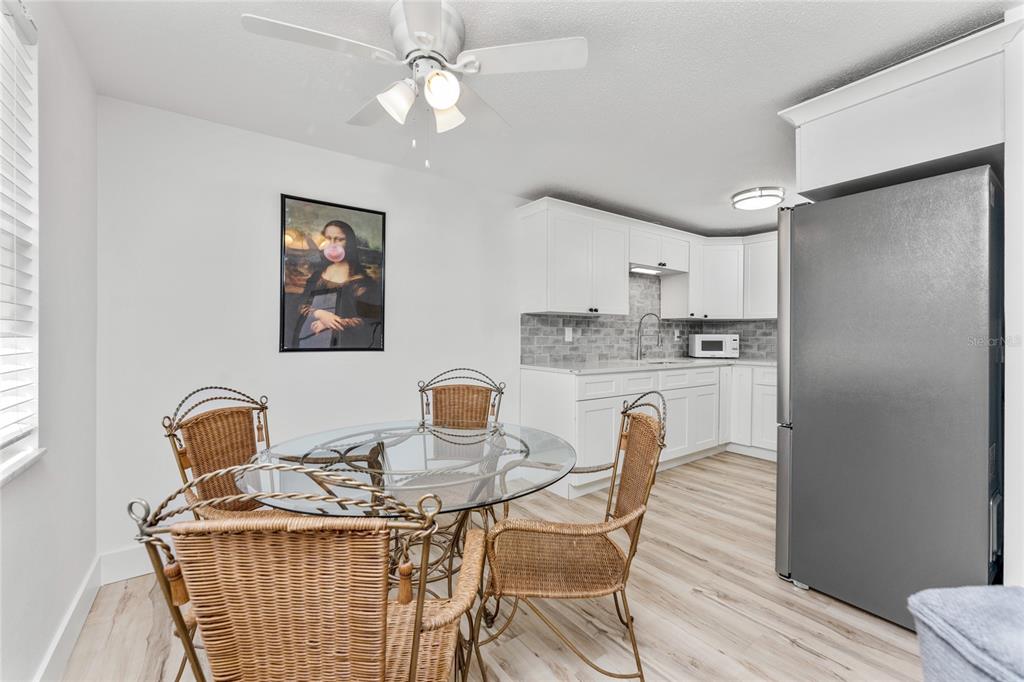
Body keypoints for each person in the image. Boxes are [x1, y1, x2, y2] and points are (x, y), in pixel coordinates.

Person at [291, 220, 382, 349]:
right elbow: (301, 304)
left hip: (344, 345)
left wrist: (331, 323)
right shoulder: (317, 275)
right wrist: (320, 314)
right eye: (328, 239)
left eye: (339, 239)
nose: (333, 244)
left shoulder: (363, 283)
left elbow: (369, 320)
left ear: (349, 243)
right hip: (309, 340)